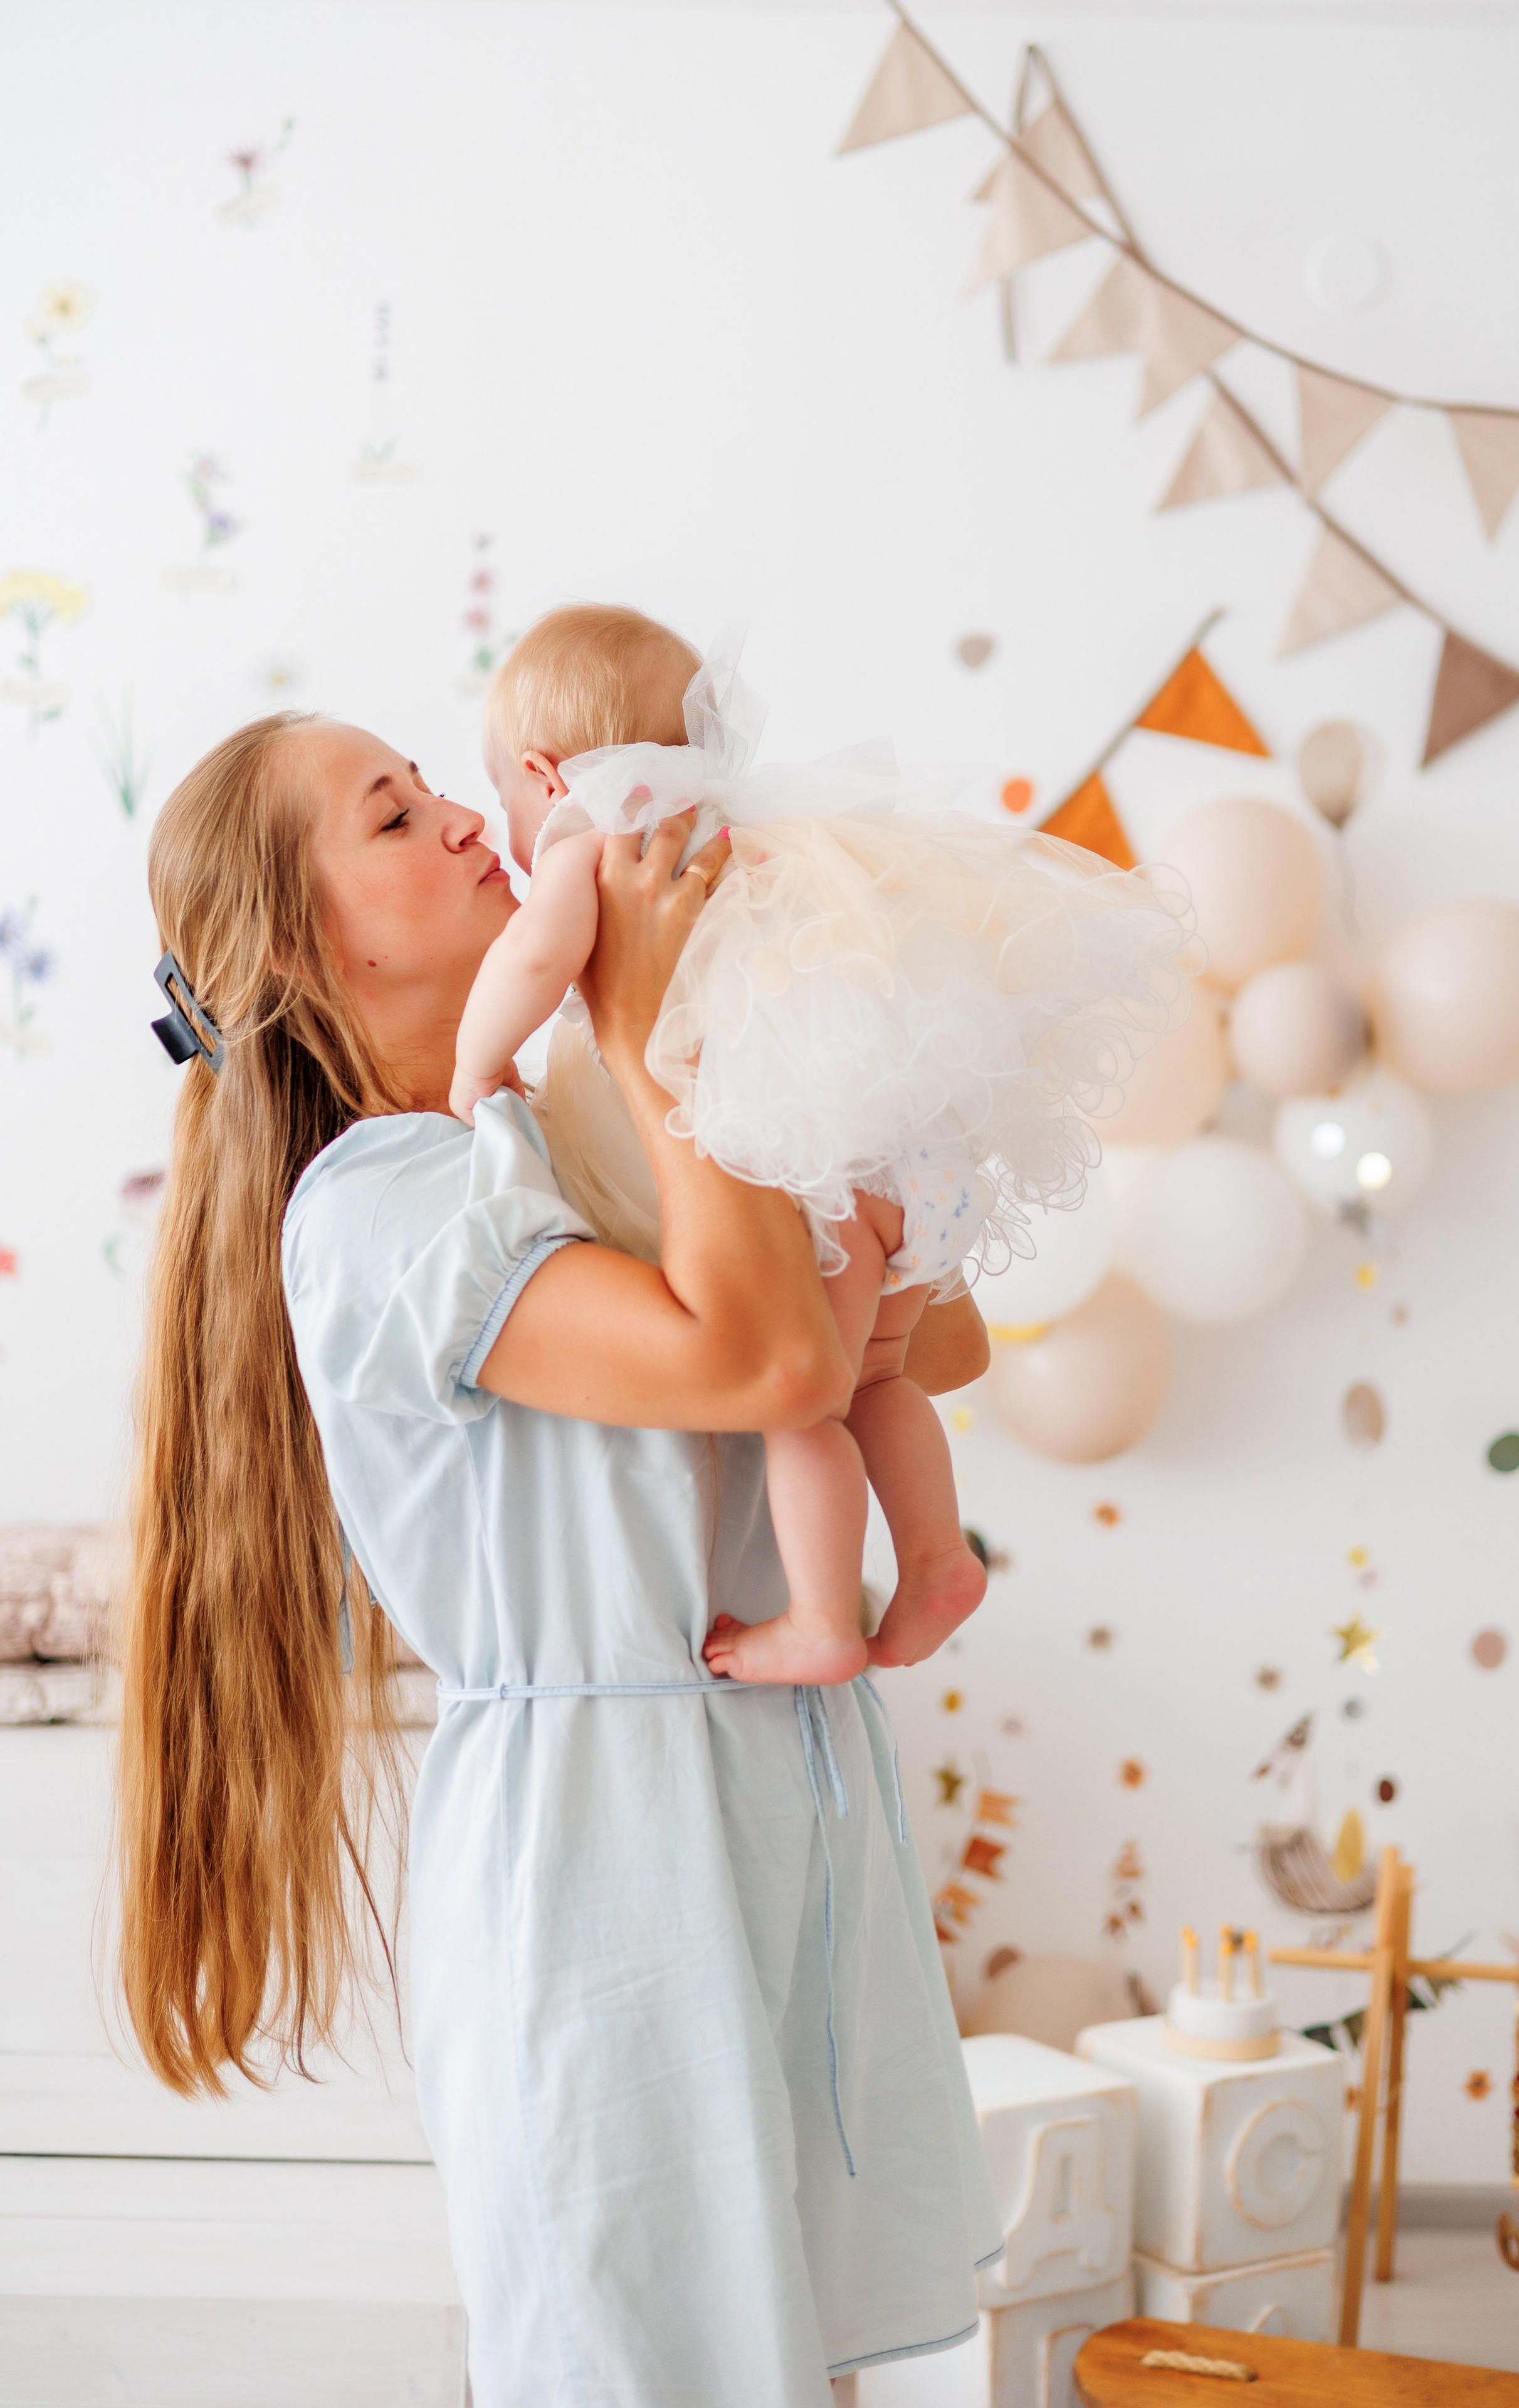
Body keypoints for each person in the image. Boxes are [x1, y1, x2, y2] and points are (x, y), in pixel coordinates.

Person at [118, 709, 1001, 2407]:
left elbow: (925, 1354)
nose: (467, 818)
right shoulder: (384, 1210)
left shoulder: (573, 1127)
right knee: (646, 2353)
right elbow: (774, 1372)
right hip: (604, 1854)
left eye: (436, 787)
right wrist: (656, 1016)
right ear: (304, 946)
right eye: (394, 814)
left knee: (793, 2354)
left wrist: (792, 1062)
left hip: (764, 1796)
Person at [456, 606, 1192, 1690]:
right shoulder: (736, 824)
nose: (509, 838)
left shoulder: (605, 838)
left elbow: (532, 960)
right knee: (881, 1377)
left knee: (803, 1403)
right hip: (913, 1161)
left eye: (504, 804)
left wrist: (480, 1066)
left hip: (821, 1175)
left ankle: (819, 1617)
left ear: (544, 772)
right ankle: (938, 1558)